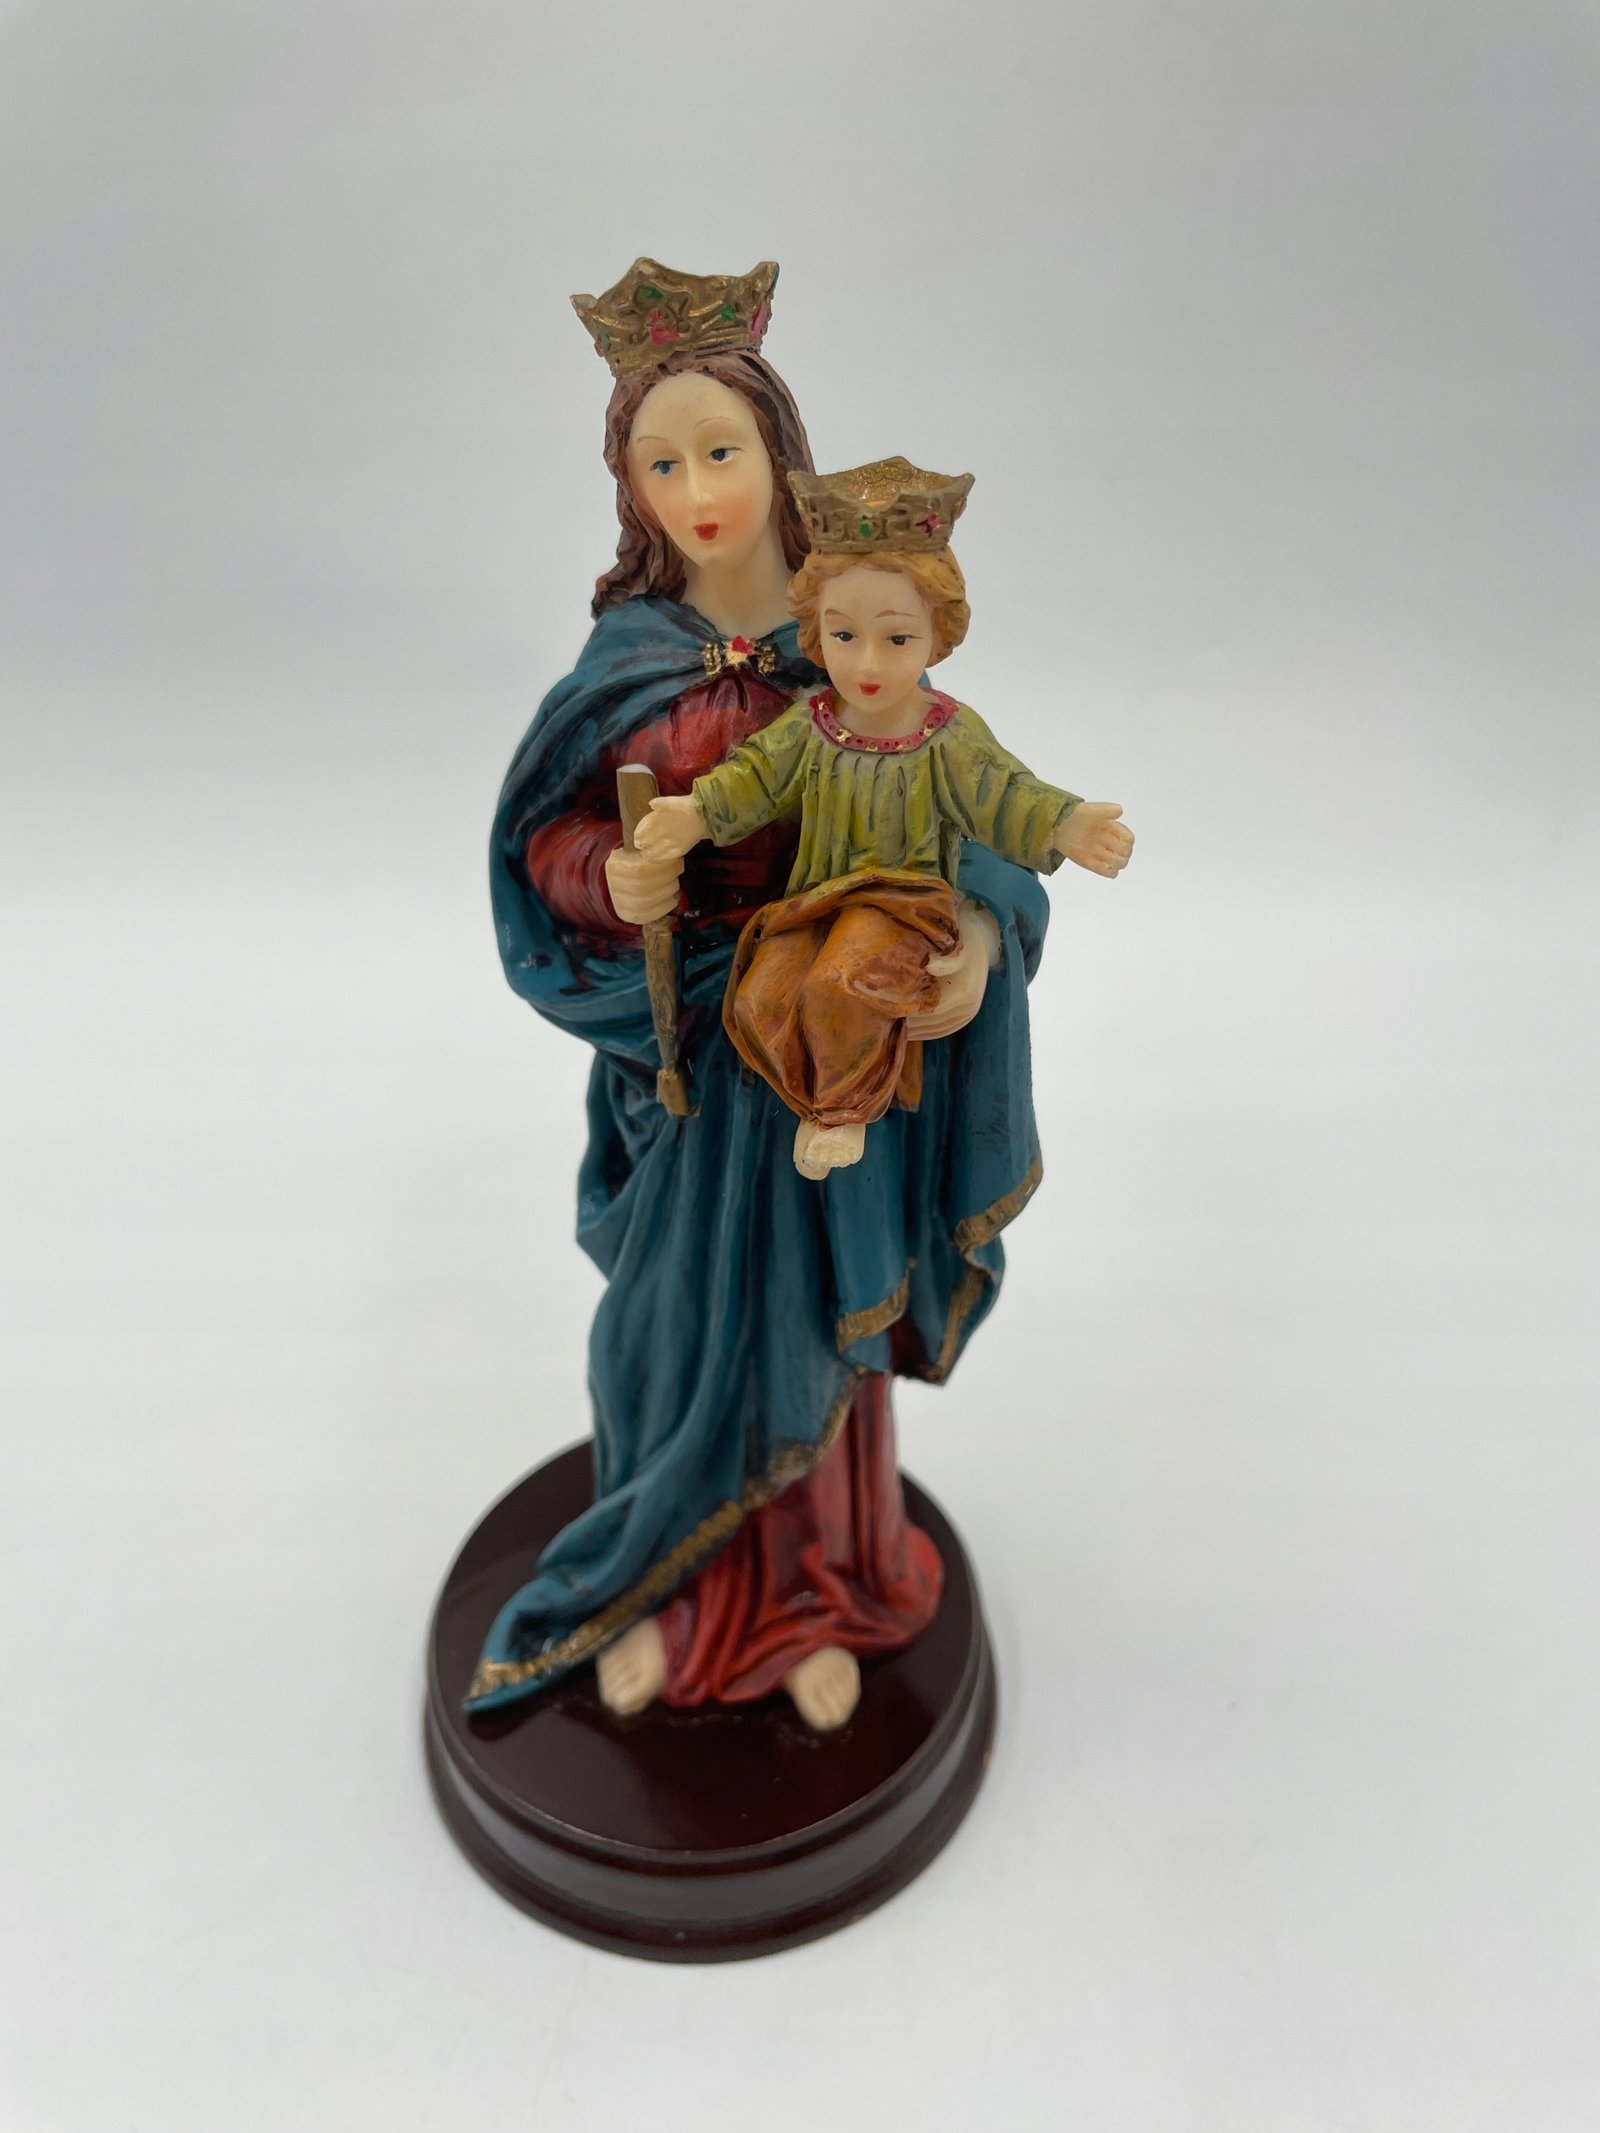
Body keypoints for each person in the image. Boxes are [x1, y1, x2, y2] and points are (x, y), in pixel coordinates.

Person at [467, 260, 1052, 1734]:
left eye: (719, 450)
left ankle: (822, 1599)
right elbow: (543, 840)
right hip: (686, 1058)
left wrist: (980, 940)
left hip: (824, 1049)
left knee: (812, 1329)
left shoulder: (851, 640)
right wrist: (613, 878)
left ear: (779, 454)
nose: (695, 490)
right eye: (658, 463)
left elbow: (974, 813)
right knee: (666, 1338)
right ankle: (664, 1590)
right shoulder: (629, 662)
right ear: (626, 486)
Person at [636, 458, 1134, 1179]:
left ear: (937, 636)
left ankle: (841, 1112)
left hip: (906, 907)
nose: (867, 663)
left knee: (841, 983)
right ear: (816, 631)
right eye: (844, 636)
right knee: (761, 994)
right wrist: (694, 814)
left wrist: (1065, 824)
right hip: (815, 901)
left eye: (896, 640)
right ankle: (817, 1093)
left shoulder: (948, 735)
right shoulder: (812, 723)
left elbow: (1005, 793)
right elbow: (754, 778)